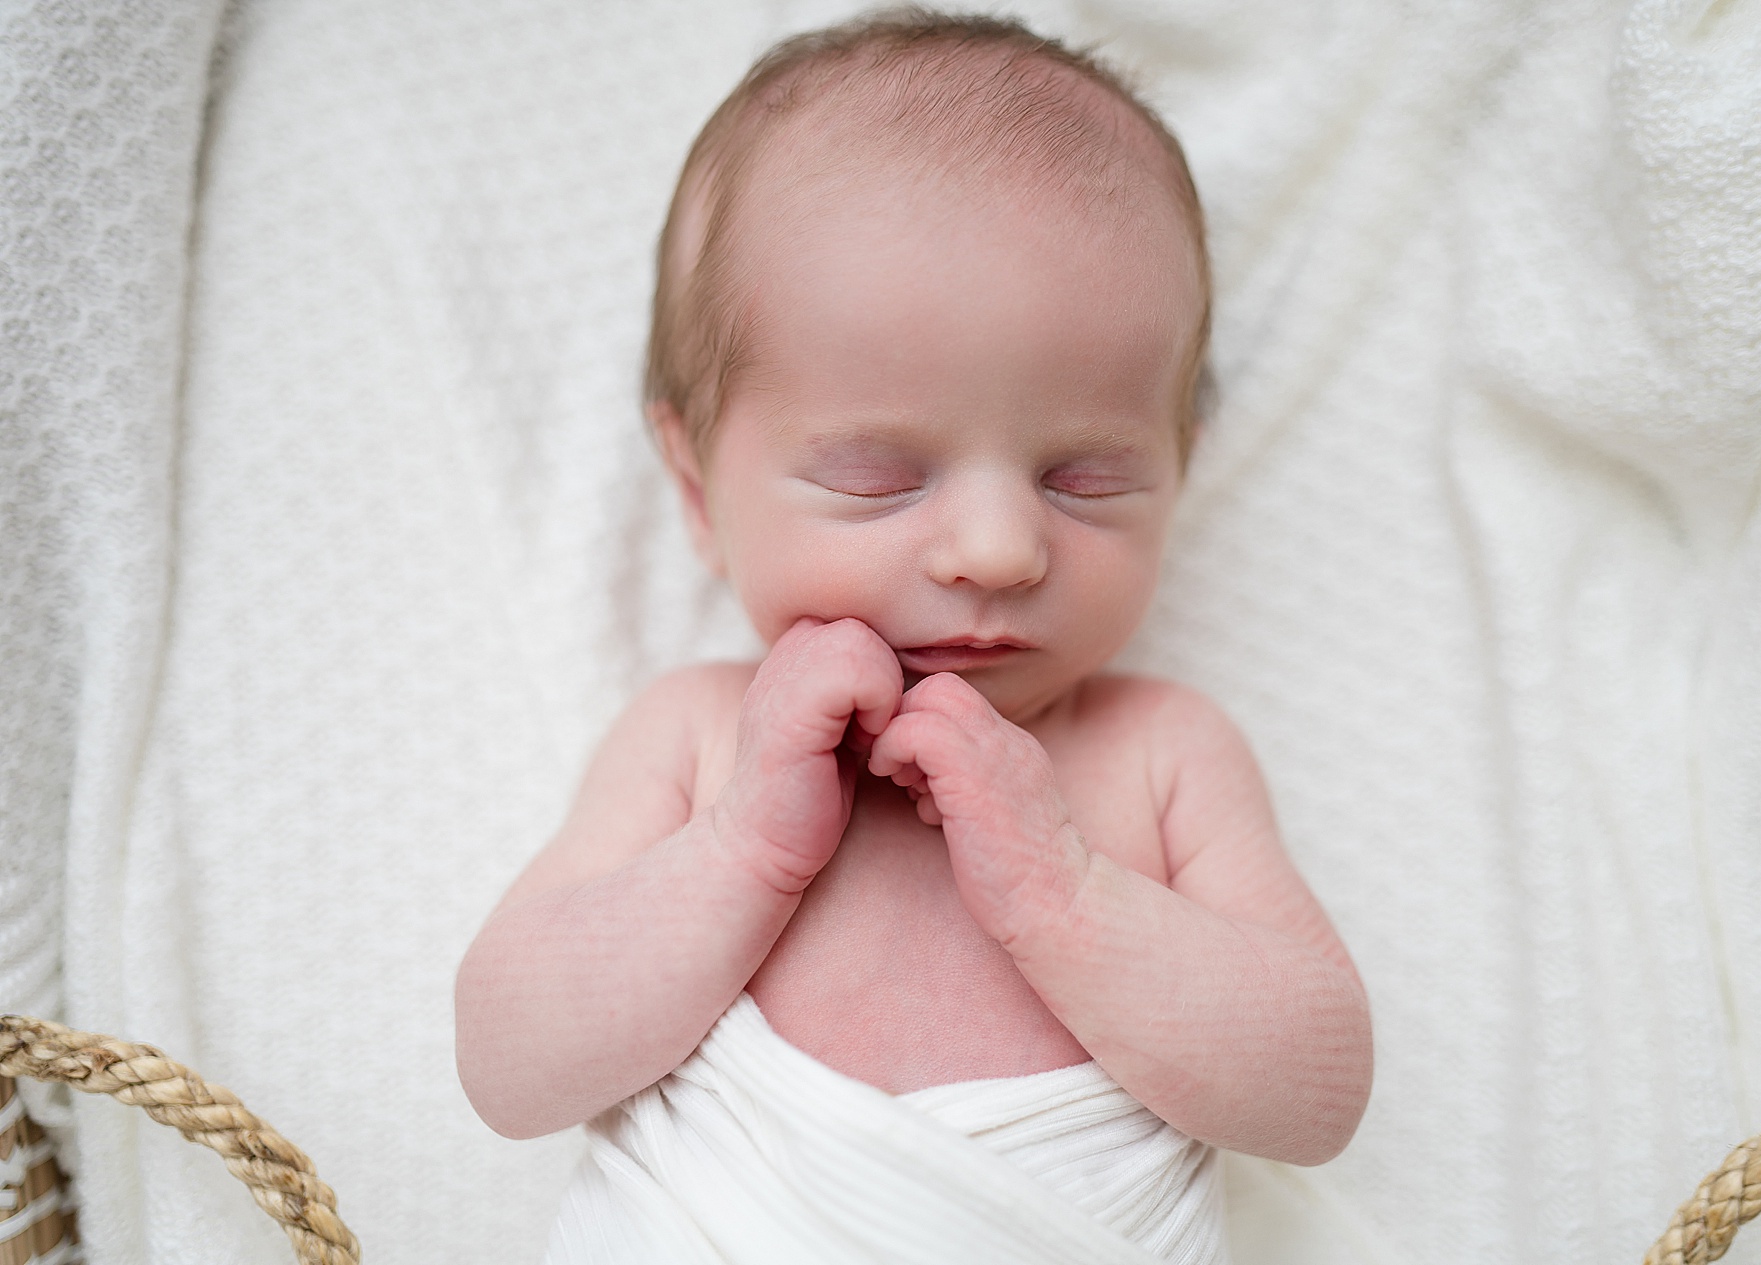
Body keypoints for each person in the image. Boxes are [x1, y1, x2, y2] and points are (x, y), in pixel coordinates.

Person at [454, 10, 1373, 1262]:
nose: (998, 549)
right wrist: (741, 847)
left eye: (1087, 478)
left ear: (1180, 466)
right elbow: (510, 1062)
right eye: (881, 477)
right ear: (694, 491)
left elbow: (1314, 1091)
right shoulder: (697, 734)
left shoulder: (1160, 751)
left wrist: (1064, 887)